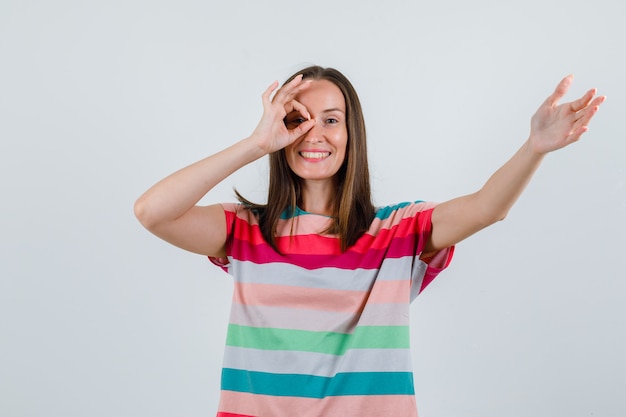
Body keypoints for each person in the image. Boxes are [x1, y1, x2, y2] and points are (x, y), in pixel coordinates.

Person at [134, 65, 605, 417]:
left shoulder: (398, 230)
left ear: (351, 132)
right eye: (298, 120)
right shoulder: (246, 230)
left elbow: (487, 208)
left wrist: (534, 147)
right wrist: (256, 143)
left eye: (332, 120)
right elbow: (151, 212)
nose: (314, 133)